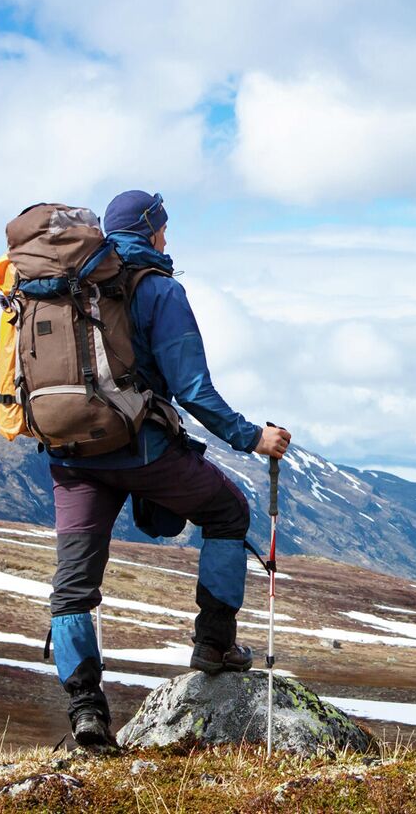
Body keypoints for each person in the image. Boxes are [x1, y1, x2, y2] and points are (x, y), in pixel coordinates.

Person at [45, 189, 292, 753]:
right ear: (152, 231)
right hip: (144, 451)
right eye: (164, 228)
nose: (168, 239)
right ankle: (214, 644)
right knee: (227, 511)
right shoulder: (158, 289)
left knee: (74, 587)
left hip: (72, 456)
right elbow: (192, 388)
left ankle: (86, 714)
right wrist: (252, 437)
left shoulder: (63, 289)